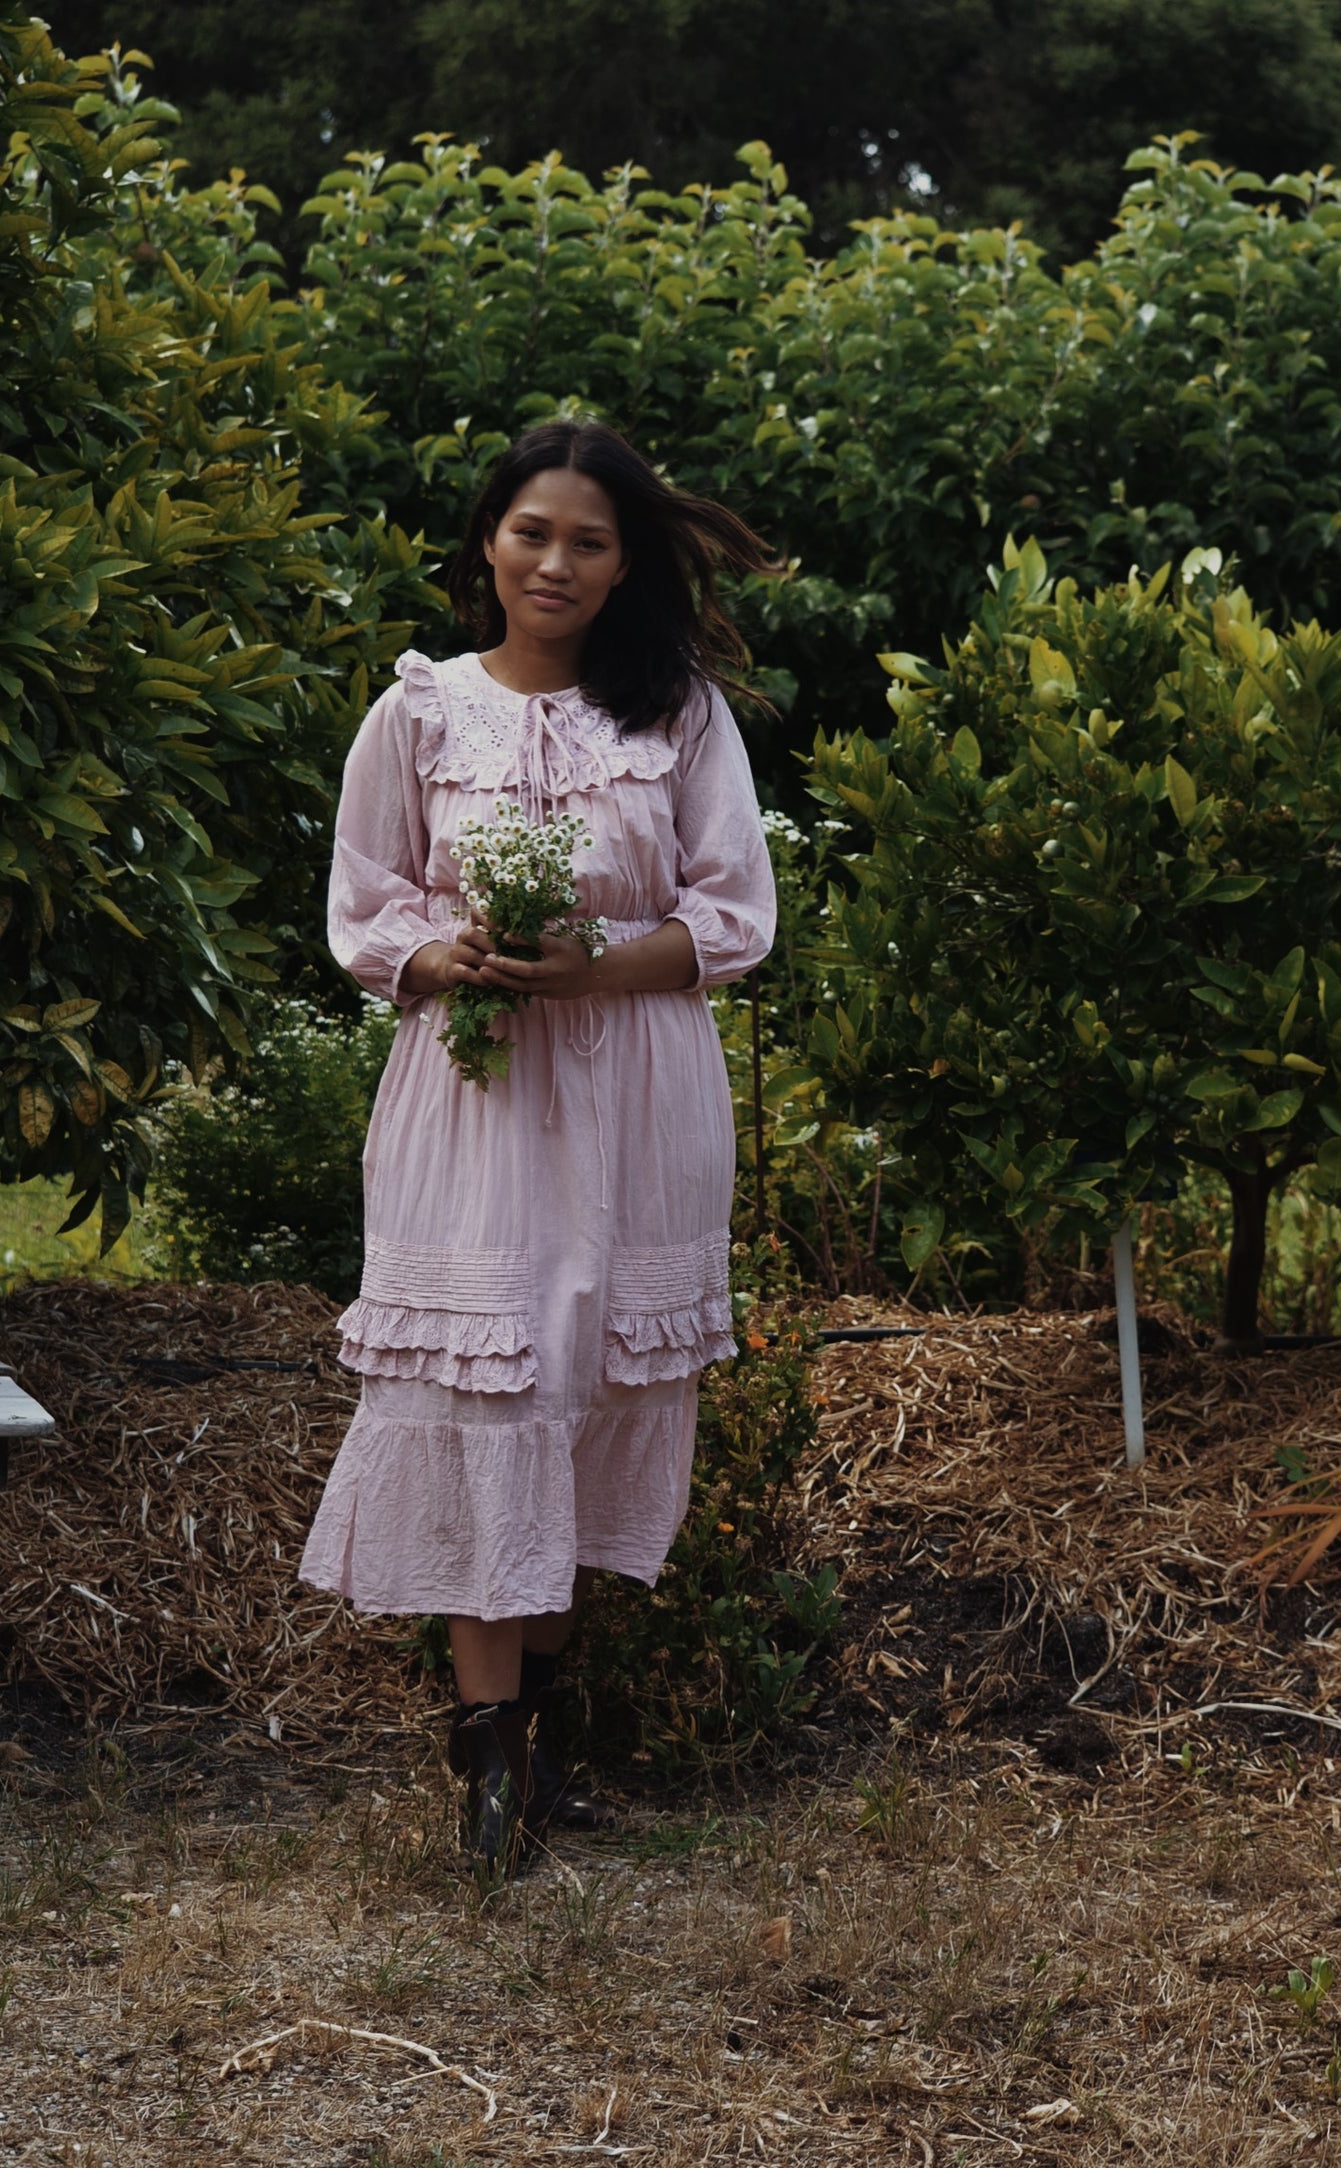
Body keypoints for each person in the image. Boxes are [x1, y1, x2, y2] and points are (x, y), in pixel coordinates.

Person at [300, 418, 777, 1876]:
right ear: (485, 546)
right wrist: (447, 957)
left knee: (584, 1388)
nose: (552, 562)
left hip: (637, 1091)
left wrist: (590, 967)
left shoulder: (678, 712)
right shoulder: (419, 712)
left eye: (586, 540)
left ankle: (544, 1741)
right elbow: (363, 906)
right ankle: (488, 1762)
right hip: (475, 1098)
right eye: (529, 533)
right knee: (490, 1385)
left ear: (625, 563)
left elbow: (733, 917)